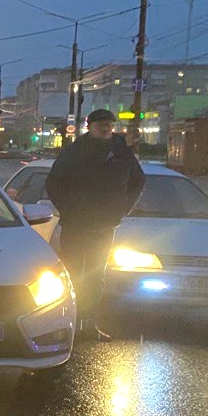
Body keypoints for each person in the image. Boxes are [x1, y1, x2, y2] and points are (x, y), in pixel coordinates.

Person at [45, 108, 145, 341]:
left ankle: (88, 325)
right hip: (76, 225)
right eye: (101, 125)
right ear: (89, 127)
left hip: (105, 225)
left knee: (95, 276)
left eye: (109, 124)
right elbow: (54, 183)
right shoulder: (75, 151)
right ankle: (65, 322)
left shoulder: (121, 152)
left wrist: (122, 209)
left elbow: (138, 181)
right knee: (72, 273)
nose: (106, 128)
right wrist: (68, 209)